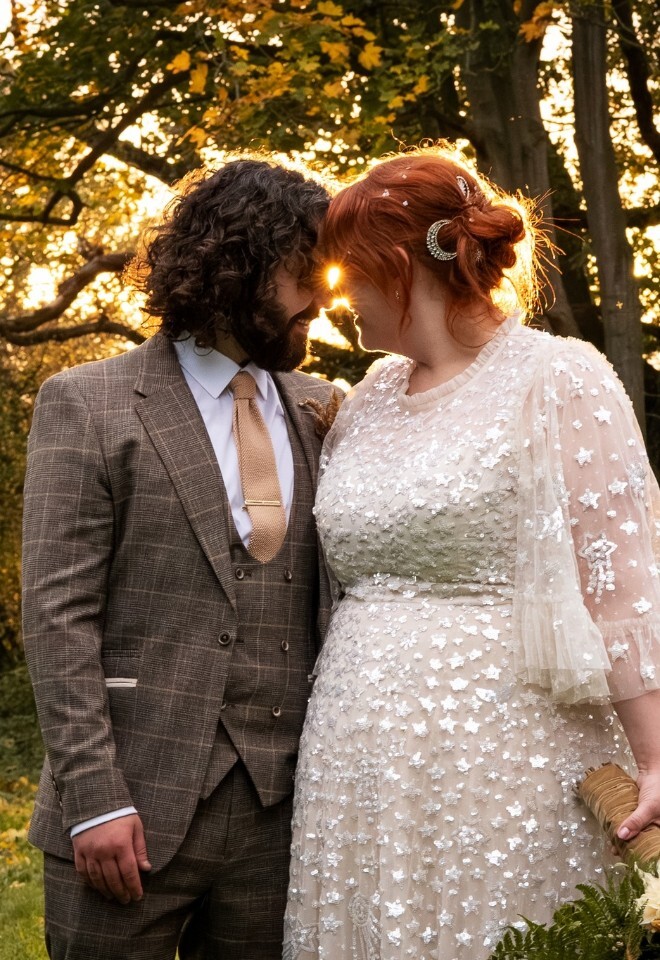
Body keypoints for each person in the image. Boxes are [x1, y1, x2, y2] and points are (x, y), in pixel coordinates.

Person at [282, 146, 660, 960]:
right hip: (359, 749)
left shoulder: (559, 378)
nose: (334, 296)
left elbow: (623, 585)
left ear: (401, 267)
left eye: (347, 271)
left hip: (510, 750)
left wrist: (658, 757)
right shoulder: (367, 398)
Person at [22, 157, 340, 960]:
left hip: (281, 813)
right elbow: (57, 615)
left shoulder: (324, 408)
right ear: (242, 262)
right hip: (129, 806)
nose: (323, 300)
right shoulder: (85, 401)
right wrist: (93, 800)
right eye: (305, 274)